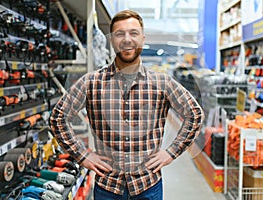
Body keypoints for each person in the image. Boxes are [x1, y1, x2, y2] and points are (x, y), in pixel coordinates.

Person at [50, 9, 204, 200]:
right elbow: (58, 117)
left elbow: (195, 113)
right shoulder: (91, 83)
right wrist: (83, 156)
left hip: (148, 186)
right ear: (112, 40)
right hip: (107, 187)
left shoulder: (162, 83)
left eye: (133, 33)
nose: (127, 39)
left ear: (143, 38)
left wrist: (171, 153)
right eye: (119, 34)